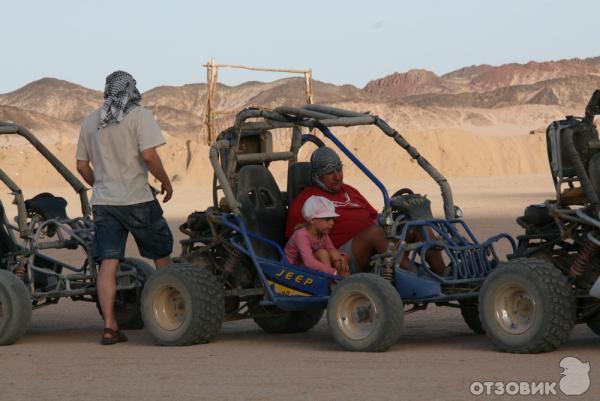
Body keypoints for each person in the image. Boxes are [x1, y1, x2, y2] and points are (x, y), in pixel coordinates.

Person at [76, 71, 174, 345]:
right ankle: (168, 316)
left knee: (108, 263)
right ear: (131, 89)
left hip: (105, 203)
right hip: (138, 198)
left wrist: (101, 184)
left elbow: (82, 166)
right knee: (161, 255)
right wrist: (165, 181)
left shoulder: (90, 122)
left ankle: (110, 326)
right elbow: (149, 156)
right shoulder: (139, 116)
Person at [286, 146, 445, 274]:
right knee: (375, 233)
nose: (337, 177)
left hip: (376, 244)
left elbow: (376, 217)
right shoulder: (307, 199)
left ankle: (442, 274)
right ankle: (422, 277)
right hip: (343, 256)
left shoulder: (350, 191)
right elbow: (295, 238)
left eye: (339, 170)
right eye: (329, 173)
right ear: (317, 175)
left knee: (417, 225)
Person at [284, 195, 349, 276]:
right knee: (322, 253)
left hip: (307, 266)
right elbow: (309, 262)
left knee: (333, 253)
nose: (332, 223)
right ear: (313, 220)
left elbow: (331, 249)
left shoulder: (323, 233)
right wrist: (333, 272)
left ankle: (348, 281)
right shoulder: (301, 235)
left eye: (333, 219)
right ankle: (331, 281)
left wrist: (343, 256)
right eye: (327, 219)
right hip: (291, 269)